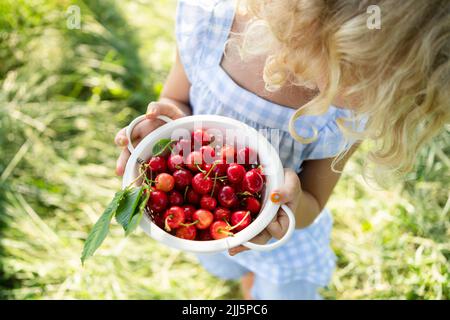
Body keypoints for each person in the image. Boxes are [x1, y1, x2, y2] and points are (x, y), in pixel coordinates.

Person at [114, 0, 449, 299]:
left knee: (284, 290)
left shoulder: (347, 116)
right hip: (209, 226)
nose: (368, 100)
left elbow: (313, 203)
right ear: (318, 25)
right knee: (226, 262)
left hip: (284, 243)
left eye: (384, 92)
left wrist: (288, 205)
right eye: (363, 78)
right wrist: (158, 134)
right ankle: (245, 278)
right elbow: (176, 101)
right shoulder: (210, 22)